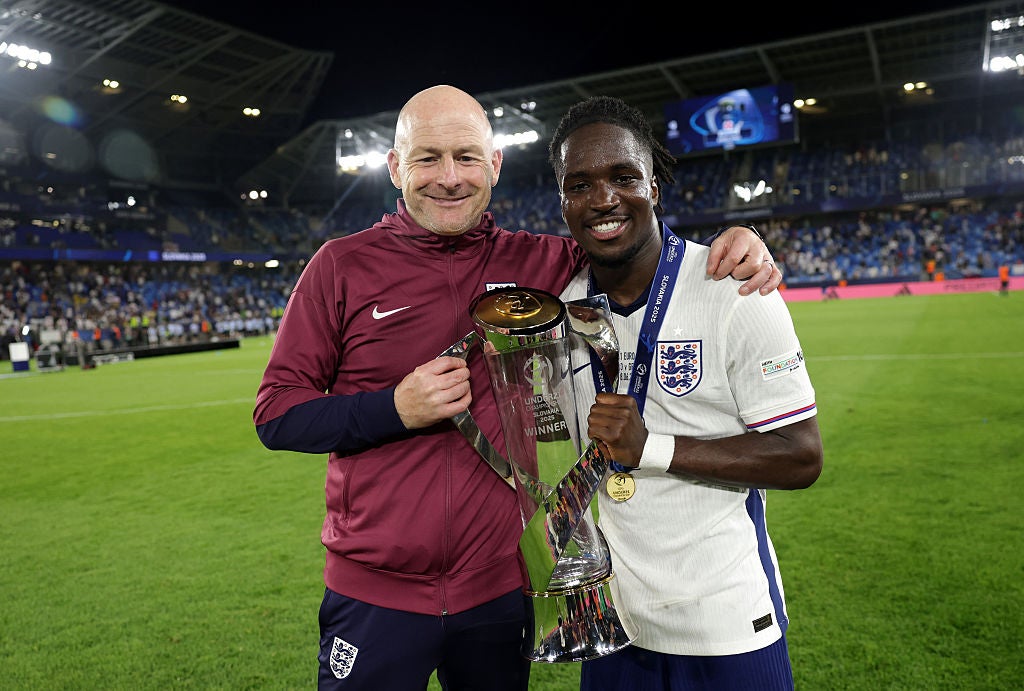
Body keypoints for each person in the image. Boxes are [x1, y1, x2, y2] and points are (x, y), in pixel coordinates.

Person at [253, 84, 781, 691]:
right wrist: (394, 408)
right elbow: (276, 414)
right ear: (396, 167)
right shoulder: (339, 268)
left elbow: (630, 238)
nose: (449, 178)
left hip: (499, 592)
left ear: (495, 166)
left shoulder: (546, 263)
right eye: (427, 158)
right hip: (377, 592)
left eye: (467, 157)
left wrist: (737, 242)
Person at [551, 96, 824, 690]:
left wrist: (651, 447)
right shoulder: (558, 309)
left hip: (725, 624)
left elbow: (803, 457)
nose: (603, 199)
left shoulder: (734, 290)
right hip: (612, 629)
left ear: (655, 185)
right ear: (563, 201)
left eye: (624, 176)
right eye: (581, 184)